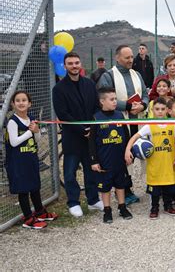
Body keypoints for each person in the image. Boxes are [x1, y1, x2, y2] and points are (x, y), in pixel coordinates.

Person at [52, 52, 103, 217]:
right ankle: (73, 202)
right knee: (70, 172)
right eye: (70, 63)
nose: (74, 66)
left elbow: (96, 107)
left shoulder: (89, 84)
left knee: (91, 170)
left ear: (80, 64)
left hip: (90, 137)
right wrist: (83, 129)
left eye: (76, 62)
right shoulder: (59, 89)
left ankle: (93, 200)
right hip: (72, 137)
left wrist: (92, 129)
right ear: (65, 66)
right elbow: (63, 113)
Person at [97, 44, 149, 205]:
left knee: (136, 154)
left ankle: (136, 186)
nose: (130, 60)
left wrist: (143, 105)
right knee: (122, 157)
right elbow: (104, 98)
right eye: (127, 57)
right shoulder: (108, 76)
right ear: (117, 58)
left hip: (137, 121)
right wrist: (126, 106)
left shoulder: (137, 74)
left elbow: (145, 94)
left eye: (132, 57)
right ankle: (124, 191)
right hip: (119, 122)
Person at [5, 91, 58, 229]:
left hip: (31, 158)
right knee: (24, 189)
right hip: (18, 162)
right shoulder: (12, 121)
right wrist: (30, 132)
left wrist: (37, 131)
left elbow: (37, 139)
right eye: (17, 100)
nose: (21, 103)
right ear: (13, 104)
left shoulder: (31, 118)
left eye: (24, 100)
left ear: (30, 103)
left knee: (35, 186)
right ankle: (28, 218)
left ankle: (39, 211)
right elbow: (14, 142)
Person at [125, 97, 175, 219]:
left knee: (169, 187)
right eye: (157, 109)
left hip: (168, 163)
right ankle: (154, 207)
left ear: (167, 110)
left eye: (162, 109)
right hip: (155, 164)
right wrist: (128, 150)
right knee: (155, 189)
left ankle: (168, 206)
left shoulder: (172, 125)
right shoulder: (149, 126)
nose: (160, 111)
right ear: (152, 110)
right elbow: (134, 137)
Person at [89, 87, 133, 223]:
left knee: (120, 184)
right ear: (102, 101)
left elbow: (127, 136)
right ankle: (107, 210)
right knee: (105, 187)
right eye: (112, 99)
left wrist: (128, 153)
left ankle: (122, 207)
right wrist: (94, 160)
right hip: (104, 161)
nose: (115, 102)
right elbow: (91, 142)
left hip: (119, 159)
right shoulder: (96, 118)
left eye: (115, 99)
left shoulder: (120, 116)